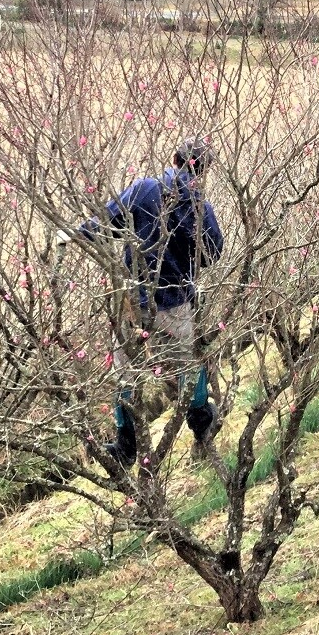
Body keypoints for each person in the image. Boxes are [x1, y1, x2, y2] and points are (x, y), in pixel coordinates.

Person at [57, 138, 224, 467]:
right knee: (187, 366)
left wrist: (73, 234)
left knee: (126, 371)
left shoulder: (145, 189)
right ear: (203, 171)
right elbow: (213, 253)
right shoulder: (199, 204)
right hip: (176, 301)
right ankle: (203, 422)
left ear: (173, 158)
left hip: (136, 300)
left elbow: (107, 223)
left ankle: (127, 445)